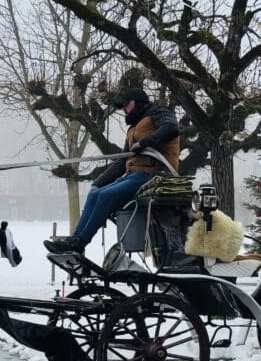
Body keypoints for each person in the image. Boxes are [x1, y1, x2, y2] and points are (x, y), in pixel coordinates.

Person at [43, 87, 180, 253]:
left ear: (136, 102)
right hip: (132, 175)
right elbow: (123, 160)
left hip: (152, 174)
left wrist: (145, 142)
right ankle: (74, 239)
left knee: (105, 196)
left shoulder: (159, 111)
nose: (124, 109)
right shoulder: (133, 128)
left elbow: (171, 128)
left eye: (126, 105)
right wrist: (98, 182)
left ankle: (80, 243)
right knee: (95, 193)